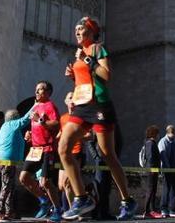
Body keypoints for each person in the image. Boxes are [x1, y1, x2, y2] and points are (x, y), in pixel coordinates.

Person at [57, 17, 137, 221]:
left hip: (100, 104)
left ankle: (127, 200)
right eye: (75, 28)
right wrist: (73, 76)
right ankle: (81, 197)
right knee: (63, 148)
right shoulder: (78, 53)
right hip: (81, 105)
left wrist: (88, 61)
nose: (76, 31)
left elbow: (106, 74)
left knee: (108, 155)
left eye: (81, 29)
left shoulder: (97, 49)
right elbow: (86, 78)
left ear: (91, 32)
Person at [19, 80, 61, 221]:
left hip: (47, 148)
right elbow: (36, 127)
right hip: (35, 149)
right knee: (23, 178)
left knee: (45, 182)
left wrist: (41, 121)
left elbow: (56, 124)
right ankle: (44, 200)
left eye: (41, 89)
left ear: (48, 92)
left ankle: (57, 209)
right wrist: (29, 135)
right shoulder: (35, 108)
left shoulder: (50, 106)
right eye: (36, 89)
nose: (37, 91)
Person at [0, 108, 35, 221]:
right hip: (7, 162)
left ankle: (9, 212)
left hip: (4, 161)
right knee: (6, 187)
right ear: (14, 118)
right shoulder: (11, 124)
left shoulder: (7, 127)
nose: (18, 118)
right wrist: (35, 106)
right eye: (17, 117)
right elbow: (25, 119)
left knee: (10, 187)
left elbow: (15, 142)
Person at [158, 125, 175, 218]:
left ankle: (172, 209)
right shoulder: (163, 141)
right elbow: (163, 156)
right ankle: (164, 208)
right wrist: (168, 168)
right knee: (166, 189)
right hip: (168, 169)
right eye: (173, 133)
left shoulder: (174, 142)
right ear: (169, 132)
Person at [140, 125, 162, 219]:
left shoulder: (149, 143)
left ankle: (152, 210)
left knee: (153, 190)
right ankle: (148, 211)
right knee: (151, 190)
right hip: (151, 170)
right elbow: (151, 157)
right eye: (157, 134)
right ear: (154, 134)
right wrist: (153, 169)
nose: (158, 136)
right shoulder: (151, 143)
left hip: (153, 170)